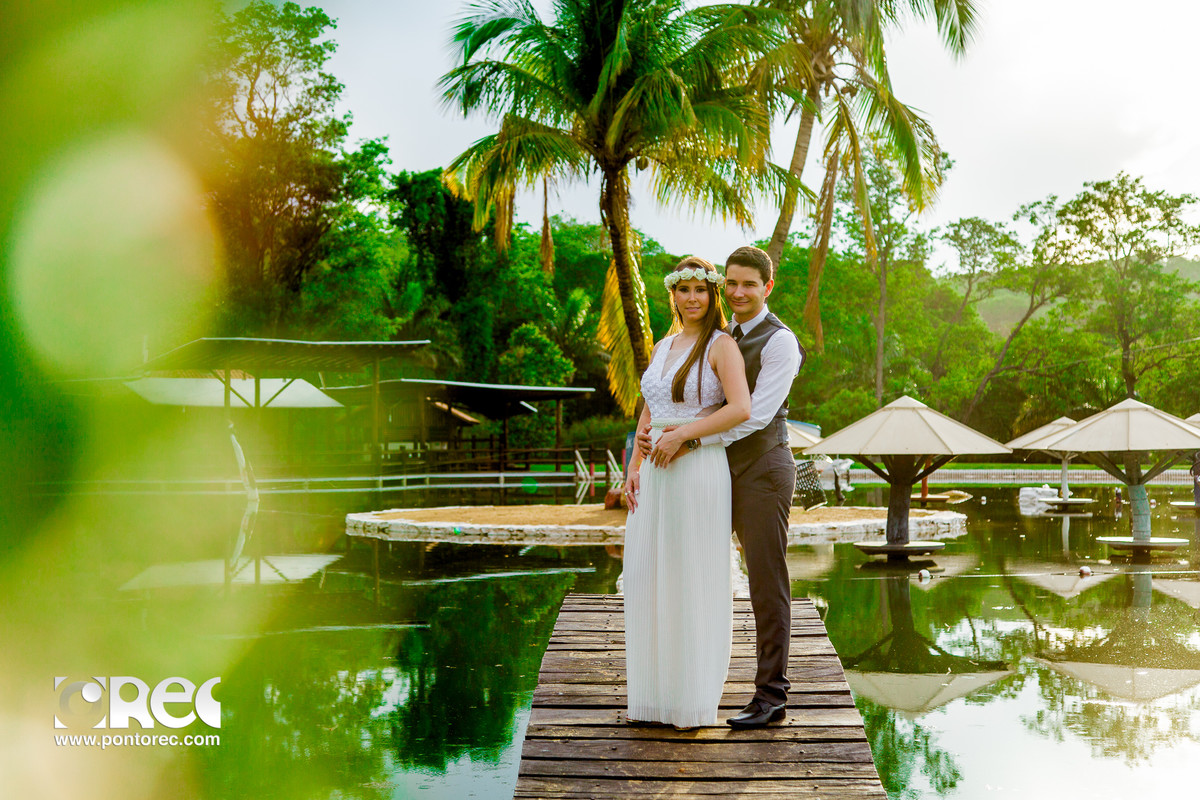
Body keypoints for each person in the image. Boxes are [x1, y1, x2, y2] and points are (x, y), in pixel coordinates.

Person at [637, 244, 804, 729]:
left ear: (767, 287)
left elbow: (755, 416)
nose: (738, 292)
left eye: (749, 284)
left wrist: (687, 438)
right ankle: (686, 683)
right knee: (697, 573)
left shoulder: (780, 343)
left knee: (765, 580)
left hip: (761, 471)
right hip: (709, 471)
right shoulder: (718, 335)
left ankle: (771, 696)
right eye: (730, 283)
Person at [622, 256, 751, 730]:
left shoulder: (721, 346)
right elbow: (650, 409)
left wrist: (685, 435)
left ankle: (691, 700)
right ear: (672, 295)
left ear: (712, 294)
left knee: (692, 574)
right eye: (684, 290)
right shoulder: (663, 345)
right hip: (655, 474)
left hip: (696, 468)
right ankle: (655, 697)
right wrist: (634, 464)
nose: (692, 298)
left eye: (701, 289)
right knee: (650, 574)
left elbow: (740, 407)